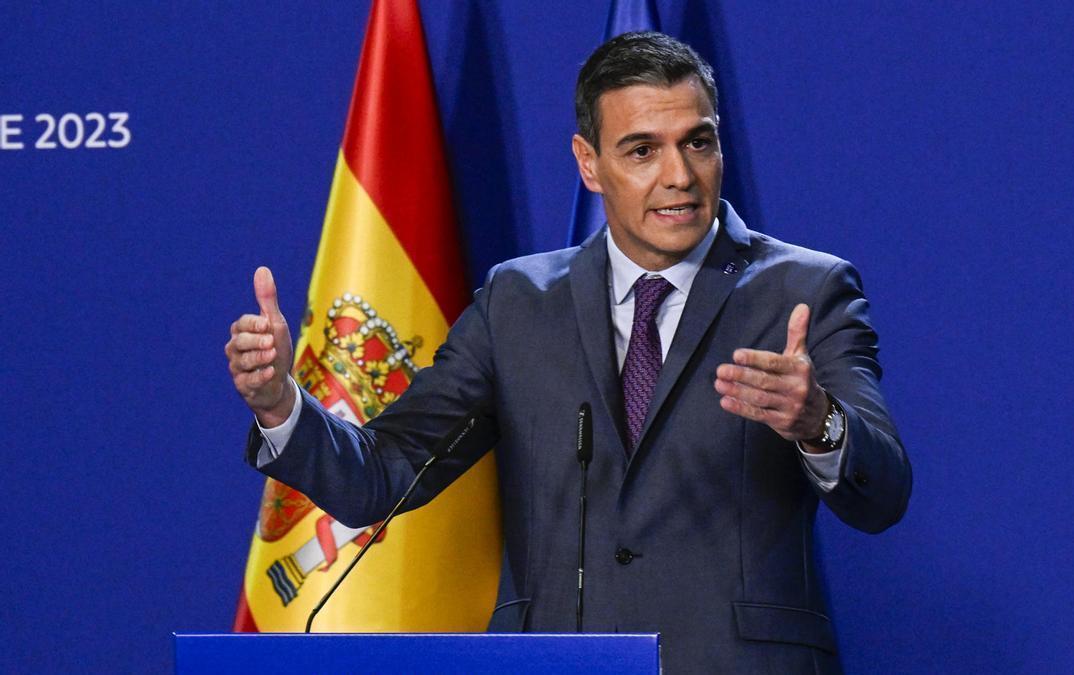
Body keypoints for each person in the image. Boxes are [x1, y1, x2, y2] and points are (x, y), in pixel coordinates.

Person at [226, 32, 911, 673]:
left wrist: (818, 421)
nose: (679, 175)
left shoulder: (806, 289)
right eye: (643, 150)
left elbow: (883, 492)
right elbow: (384, 471)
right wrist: (281, 404)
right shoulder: (517, 302)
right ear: (589, 162)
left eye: (697, 142)